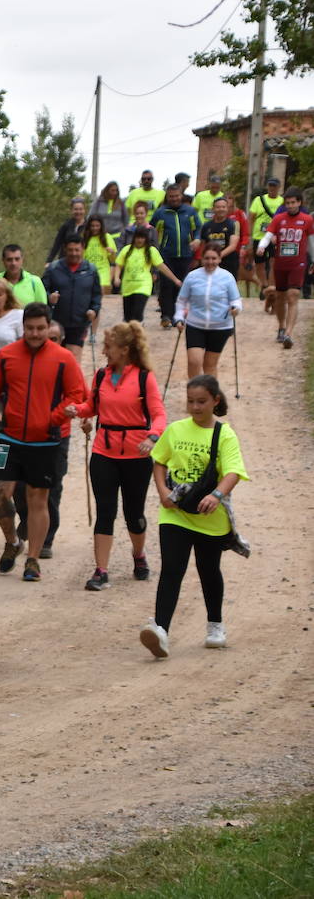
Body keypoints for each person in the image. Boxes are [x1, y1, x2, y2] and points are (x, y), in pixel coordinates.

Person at [140, 375, 248, 658]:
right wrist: (162, 490)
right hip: (174, 513)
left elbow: (234, 471)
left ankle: (215, 624)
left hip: (209, 516)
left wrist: (217, 496)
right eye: (190, 401)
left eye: (201, 401)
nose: (195, 407)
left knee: (208, 569)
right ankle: (160, 631)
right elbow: (159, 460)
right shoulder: (175, 430)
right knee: (172, 569)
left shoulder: (224, 434)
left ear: (216, 400)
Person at [0, 302, 86, 582]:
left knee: (38, 500)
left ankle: (33, 559)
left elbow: (78, 395)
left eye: (40, 328)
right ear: (22, 327)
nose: (35, 334)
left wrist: (54, 417)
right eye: (29, 328)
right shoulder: (6, 356)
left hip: (45, 442)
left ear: (49, 327)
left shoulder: (64, 358)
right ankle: (13, 540)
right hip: (7, 438)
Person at [65, 323, 166, 591]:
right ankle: (101, 570)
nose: (104, 351)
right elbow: (93, 407)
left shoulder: (145, 378)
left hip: (136, 454)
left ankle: (139, 554)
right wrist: (78, 410)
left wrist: (152, 437)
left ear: (124, 349)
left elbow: (159, 415)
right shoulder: (101, 376)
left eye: (108, 346)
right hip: (104, 452)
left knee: (134, 514)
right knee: (105, 511)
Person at [10, 320, 72, 559]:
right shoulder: (27, 361)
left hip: (57, 435)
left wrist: (80, 415)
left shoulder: (65, 362)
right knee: (20, 485)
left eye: (54, 338)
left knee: (51, 489)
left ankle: (46, 539)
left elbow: (80, 398)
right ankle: (27, 519)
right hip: (24, 436)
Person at [257, 188, 314, 349]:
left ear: (299, 202)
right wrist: (262, 246)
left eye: (293, 202)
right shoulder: (279, 219)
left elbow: (311, 241)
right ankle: (281, 327)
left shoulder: (307, 220)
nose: (290, 206)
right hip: (281, 264)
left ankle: (289, 333)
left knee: (293, 295)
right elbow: (268, 235)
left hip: (298, 264)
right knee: (280, 297)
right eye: (288, 203)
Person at [176, 246, 242, 378]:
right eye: (207, 258)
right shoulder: (192, 276)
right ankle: (193, 391)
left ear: (219, 259)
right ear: (201, 259)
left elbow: (236, 300)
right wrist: (179, 318)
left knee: (209, 365)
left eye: (214, 258)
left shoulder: (227, 277)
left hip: (220, 326)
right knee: (194, 361)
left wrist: (235, 308)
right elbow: (181, 301)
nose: (210, 262)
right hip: (196, 325)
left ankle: (210, 396)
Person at [150, 186, 202, 328]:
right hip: (166, 254)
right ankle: (166, 315)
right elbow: (151, 230)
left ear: (181, 195)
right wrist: (154, 249)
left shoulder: (189, 211)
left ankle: (178, 315)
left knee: (181, 285)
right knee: (167, 284)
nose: (174, 199)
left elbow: (198, 228)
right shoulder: (161, 213)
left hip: (185, 253)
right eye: (171, 196)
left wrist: (197, 239)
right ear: (167, 197)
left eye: (177, 196)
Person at [43, 235, 100, 361]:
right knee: (54, 358)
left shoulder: (91, 270)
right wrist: (49, 297)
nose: (74, 253)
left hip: (79, 323)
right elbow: (42, 289)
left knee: (72, 359)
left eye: (77, 250)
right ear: (65, 249)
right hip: (55, 323)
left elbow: (96, 295)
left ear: (83, 249)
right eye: (70, 250)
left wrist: (93, 310)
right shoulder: (53, 268)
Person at [115, 229, 182, 324]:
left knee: (137, 313)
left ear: (146, 239)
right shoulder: (127, 250)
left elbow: (162, 267)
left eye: (142, 238)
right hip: (128, 286)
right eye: (138, 237)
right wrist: (116, 277)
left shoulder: (151, 251)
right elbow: (119, 264)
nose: (139, 240)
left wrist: (175, 280)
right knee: (128, 317)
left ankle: (138, 331)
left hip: (143, 285)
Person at [250, 177, 284, 305]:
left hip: (276, 238)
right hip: (259, 236)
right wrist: (249, 235)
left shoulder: (282, 201)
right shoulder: (259, 200)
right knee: (260, 264)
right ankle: (264, 285)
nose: (272, 188)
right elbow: (251, 217)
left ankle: (271, 287)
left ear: (278, 187)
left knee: (274, 263)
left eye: (274, 186)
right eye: (270, 186)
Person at [196, 197, 240, 277]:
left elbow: (233, 246)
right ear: (213, 209)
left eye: (223, 207)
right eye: (218, 207)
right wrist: (202, 259)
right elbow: (203, 245)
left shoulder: (234, 224)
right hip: (210, 262)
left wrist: (217, 257)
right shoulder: (206, 226)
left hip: (228, 262)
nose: (221, 209)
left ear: (227, 209)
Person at [82, 214, 118, 294]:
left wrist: (112, 252)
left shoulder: (107, 237)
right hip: (88, 271)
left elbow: (113, 261)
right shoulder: (85, 238)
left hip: (103, 271)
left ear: (101, 226)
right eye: (92, 226)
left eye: (97, 226)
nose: (95, 228)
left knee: (100, 290)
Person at [46, 197, 88, 265]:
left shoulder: (89, 226)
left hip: (82, 262)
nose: (78, 212)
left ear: (84, 210)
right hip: (65, 261)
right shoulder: (66, 225)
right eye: (76, 209)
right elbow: (57, 244)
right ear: (71, 210)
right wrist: (49, 261)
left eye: (80, 209)